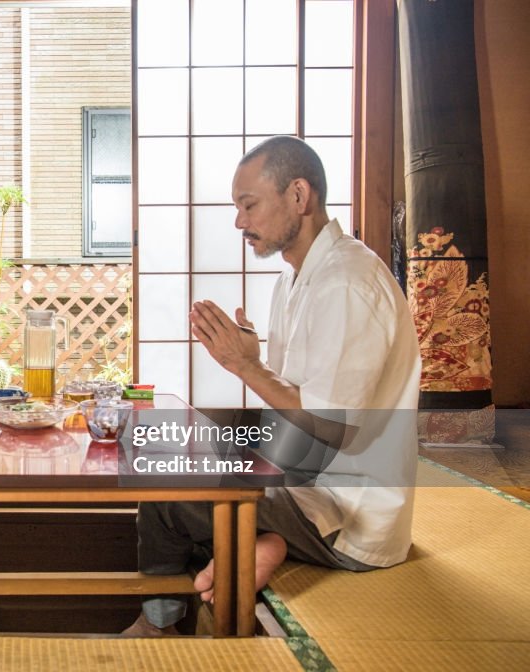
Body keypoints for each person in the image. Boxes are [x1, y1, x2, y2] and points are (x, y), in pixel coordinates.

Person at [124, 136, 421, 636]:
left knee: (166, 493)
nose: (240, 221)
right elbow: (301, 397)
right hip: (303, 480)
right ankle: (258, 541)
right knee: (168, 453)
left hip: (349, 514)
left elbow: (331, 427)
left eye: (249, 205)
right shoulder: (299, 278)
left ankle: (163, 620)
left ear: (299, 196)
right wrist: (258, 360)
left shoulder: (347, 282)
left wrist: (246, 368)